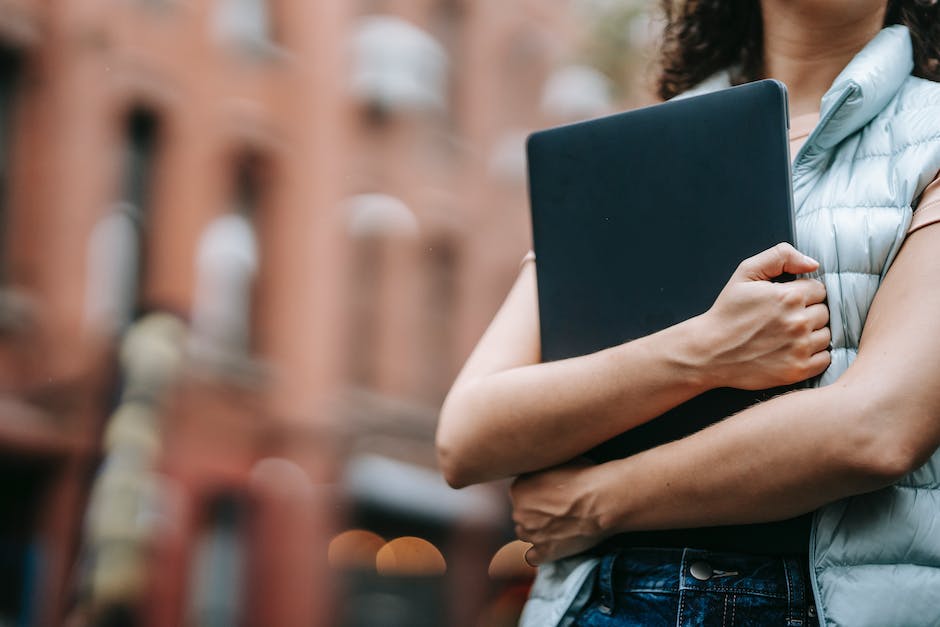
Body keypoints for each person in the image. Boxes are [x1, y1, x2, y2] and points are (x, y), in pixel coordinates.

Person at [435, 1, 940, 625]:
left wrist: (599, 500)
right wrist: (706, 350)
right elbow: (467, 435)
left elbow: (877, 429)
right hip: (592, 604)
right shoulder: (623, 153)